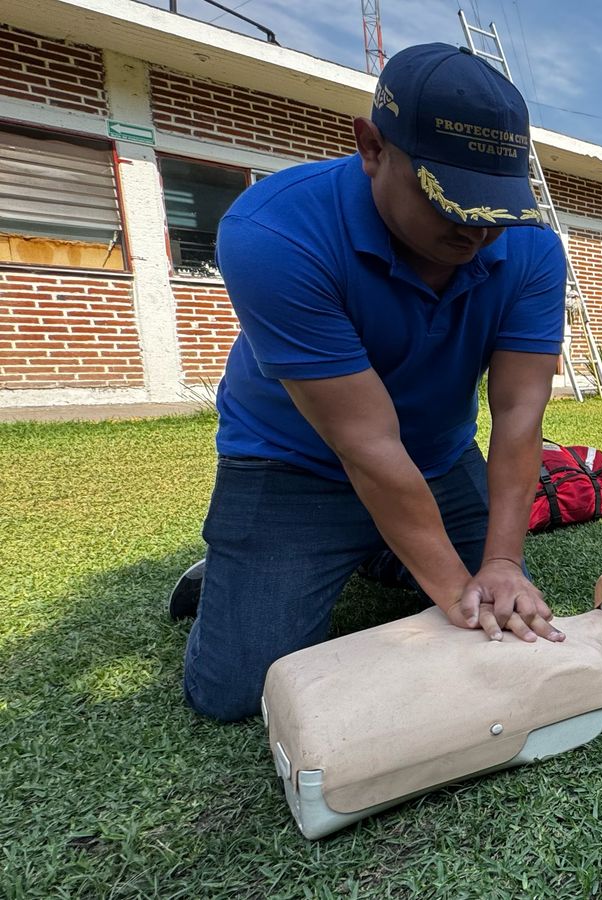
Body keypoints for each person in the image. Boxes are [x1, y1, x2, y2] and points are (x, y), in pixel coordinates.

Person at [168, 43, 569, 722]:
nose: (476, 230)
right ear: (372, 147)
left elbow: (520, 414)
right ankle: (237, 575)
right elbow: (367, 445)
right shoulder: (274, 233)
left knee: (502, 597)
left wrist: (501, 561)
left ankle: (376, 551)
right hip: (293, 463)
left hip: (438, 459)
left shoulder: (530, 247)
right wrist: (455, 594)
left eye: (491, 206)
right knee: (234, 693)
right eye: (450, 200)